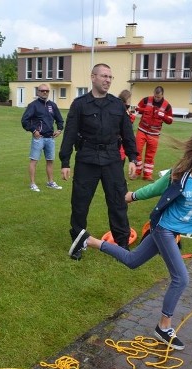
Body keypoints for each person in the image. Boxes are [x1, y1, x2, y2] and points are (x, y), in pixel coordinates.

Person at [68, 131, 192, 350]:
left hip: (173, 231)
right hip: (164, 229)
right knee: (181, 278)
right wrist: (132, 196)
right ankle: (164, 326)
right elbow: (156, 188)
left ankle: (90, 240)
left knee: (133, 261)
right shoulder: (180, 175)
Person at [59, 63, 138, 259]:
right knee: (80, 203)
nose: (108, 80)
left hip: (112, 160)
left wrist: (133, 158)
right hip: (87, 159)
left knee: (118, 202)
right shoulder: (80, 104)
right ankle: (78, 243)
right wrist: (65, 162)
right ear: (93, 77)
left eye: (110, 77)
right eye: (104, 76)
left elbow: (127, 134)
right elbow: (69, 133)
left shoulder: (117, 105)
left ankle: (122, 245)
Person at [21, 84, 64, 192]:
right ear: (38, 92)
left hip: (50, 138)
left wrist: (59, 130)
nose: (45, 92)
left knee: (50, 161)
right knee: (34, 161)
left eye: (47, 91)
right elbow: (24, 120)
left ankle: (50, 182)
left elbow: (60, 120)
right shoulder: (33, 105)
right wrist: (34, 130)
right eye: (42, 91)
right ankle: (32, 184)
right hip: (38, 138)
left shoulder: (52, 105)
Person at [133, 86, 173, 180]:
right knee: (137, 151)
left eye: (158, 97)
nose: (156, 98)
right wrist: (146, 110)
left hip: (154, 134)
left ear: (162, 95)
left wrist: (162, 115)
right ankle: (137, 172)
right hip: (142, 130)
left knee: (150, 155)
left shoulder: (167, 105)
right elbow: (137, 108)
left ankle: (147, 175)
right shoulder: (146, 100)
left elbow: (170, 120)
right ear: (154, 93)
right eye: (155, 96)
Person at [118, 89, 137, 161]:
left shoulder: (120, 106)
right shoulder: (123, 108)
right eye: (129, 99)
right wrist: (133, 117)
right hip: (121, 139)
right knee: (121, 155)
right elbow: (126, 123)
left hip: (122, 139)